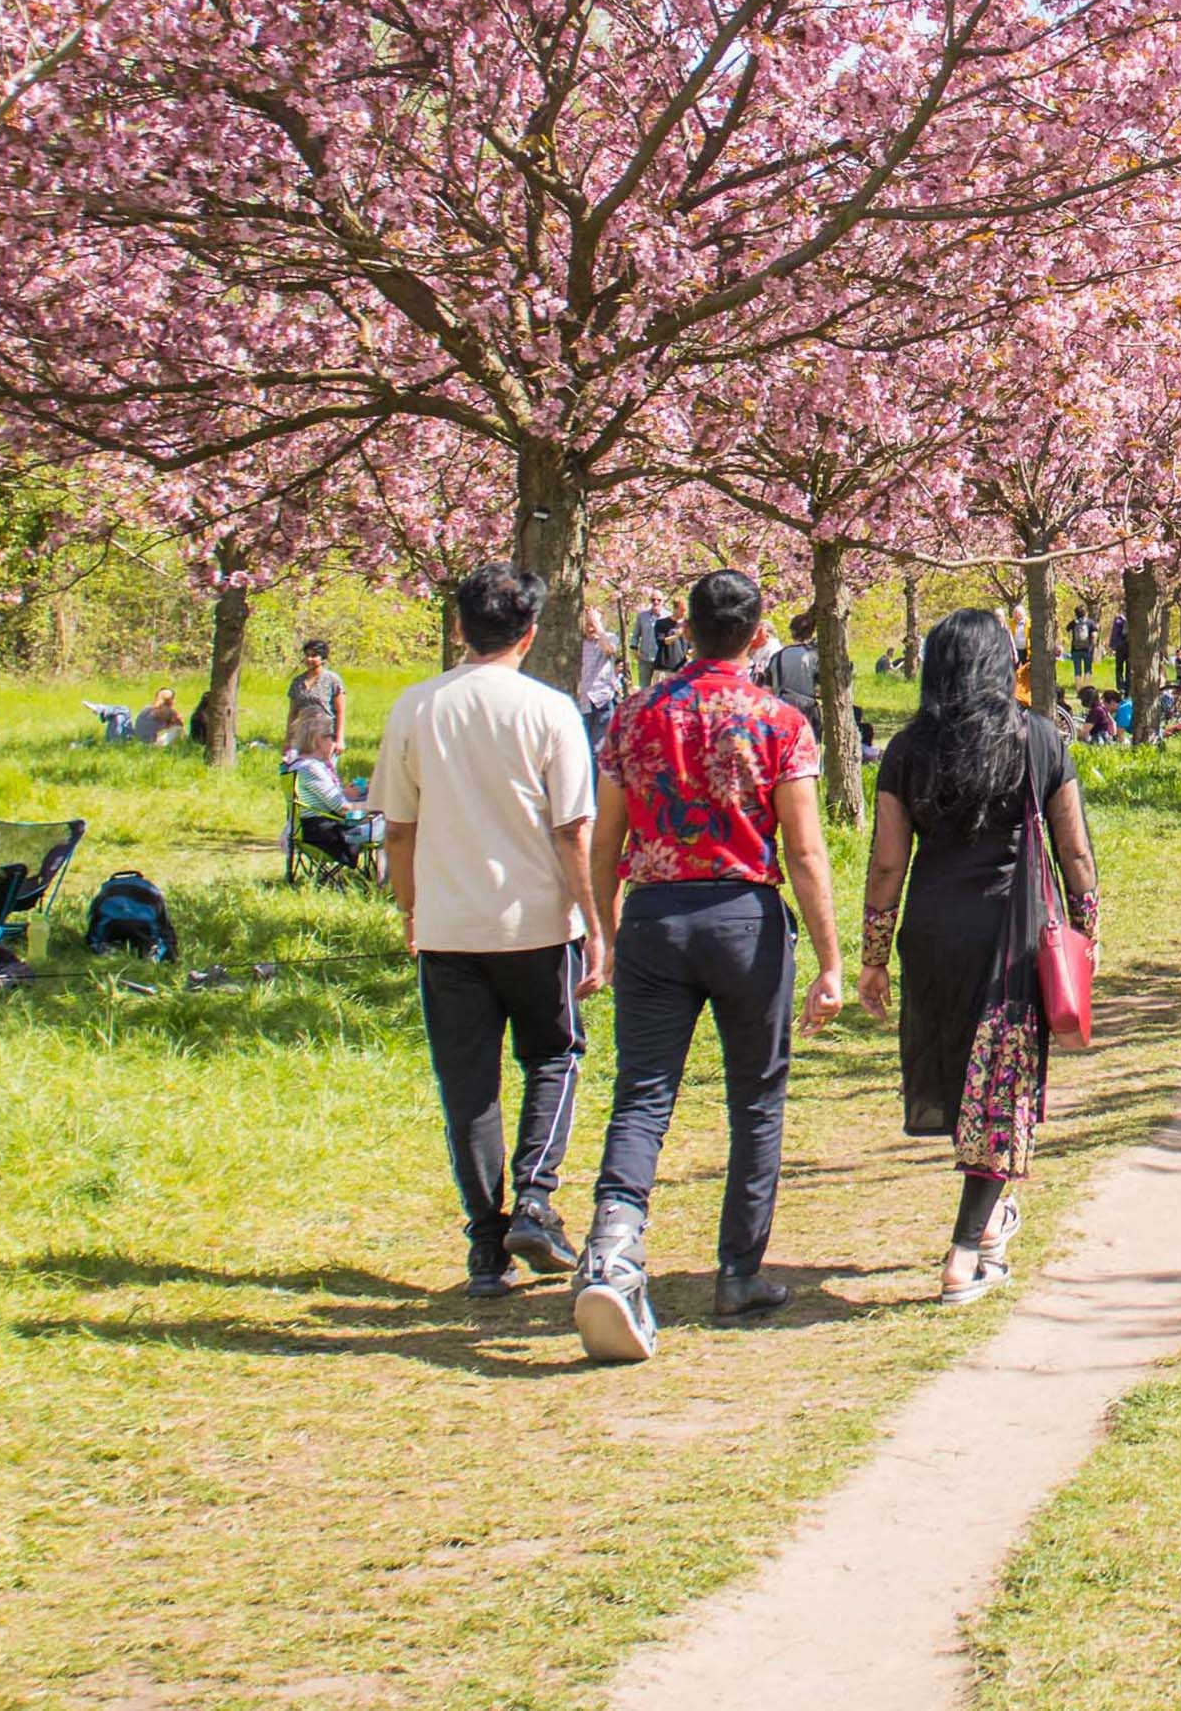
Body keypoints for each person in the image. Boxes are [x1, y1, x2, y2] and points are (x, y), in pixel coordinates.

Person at [572, 569, 842, 1360]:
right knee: (755, 1096)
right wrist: (829, 959)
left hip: (656, 914)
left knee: (644, 1094)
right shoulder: (780, 723)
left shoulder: (633, 716)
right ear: (759, 634)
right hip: (745, 920)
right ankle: (738, 1270)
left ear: (683, 631)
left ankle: (614, 1251)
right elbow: (803, 847)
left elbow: (605, 840)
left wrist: (606, 931)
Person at [369, 562, 602, 1301]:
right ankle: (535, 1196)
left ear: (460, 628)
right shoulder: (549, 710)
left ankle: (484, 1242)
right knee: (555, 1057)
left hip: (447, 926)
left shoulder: (416, 707)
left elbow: (397, 830)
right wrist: (595, 923)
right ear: (529, 633)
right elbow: (573, 829)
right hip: (537, 922)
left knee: (467, 1086)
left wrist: (410, 910)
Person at [858, 610, 1102, 1305]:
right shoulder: (1039, 739)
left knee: (967, 1074)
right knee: (999, 1089)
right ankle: (968, 1253)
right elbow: (1074, 850)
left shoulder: (907, 749)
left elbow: (884, 865)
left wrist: (875, 954)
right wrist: (1086, 930)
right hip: (1011, 931)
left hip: (933, 933)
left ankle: (990, 1215)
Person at [285, 709, 387, 873]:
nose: (335, 741)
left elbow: (331, 800)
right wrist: (378, 805)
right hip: (329, 836)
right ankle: (385, 885)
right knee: (394, 827)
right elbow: (343, 809)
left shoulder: (298, 764)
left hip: (316, 831)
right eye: (331, 736)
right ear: (318, 740)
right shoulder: (312, 768)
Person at [285, 637, 346, 757]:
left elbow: (340, 712)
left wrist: (339, 740)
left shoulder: (332, 680)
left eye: (314, 656)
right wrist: (288, 740)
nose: (309, 659)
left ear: (323, 659)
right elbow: (292, 713)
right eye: (307, 655)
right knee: (293, 771)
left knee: (323, 774)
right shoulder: (297, 682)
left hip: (325, 736)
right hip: (301, 736)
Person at [575, 608, 628, 743]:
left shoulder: (609, 638)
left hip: (602, 698)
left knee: (600, 746)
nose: (590, 629)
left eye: (592, 625)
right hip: (583, 699)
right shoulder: (578, 642)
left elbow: (609, 649)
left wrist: (597, 625)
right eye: (587, 625)